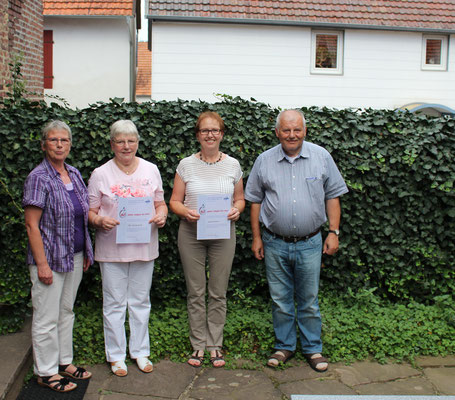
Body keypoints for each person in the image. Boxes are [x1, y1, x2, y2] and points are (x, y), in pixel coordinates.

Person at [244, 109, 348, 372]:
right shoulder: (264, 160)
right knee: (280, 299)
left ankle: (313, 349)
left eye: (297, 130)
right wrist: (257, 237)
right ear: (277, 132)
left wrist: (333, 232)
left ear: (305, 131)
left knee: (309, 299)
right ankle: (284, 347)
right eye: (286, 130)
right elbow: (255, 200)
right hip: (274, 242)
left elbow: (333, 196)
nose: (292, 135)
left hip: (311, 243)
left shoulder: (321, 157)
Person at [87, 120, 167, 377]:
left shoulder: (150, 169)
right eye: (120, 141)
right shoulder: (101, 174)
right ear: (112, 144)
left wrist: (162, 215)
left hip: (144, 247)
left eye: (131, 141)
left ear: (137, 143)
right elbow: (90, 211)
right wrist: (99, 220)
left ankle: (141, 351)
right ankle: (116, 356)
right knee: (113, 304)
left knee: (141, 302)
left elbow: (161, 203)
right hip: (112, 250)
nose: (126, 146)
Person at [169, 111, 245, 368]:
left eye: (215, 130)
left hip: (223, 233)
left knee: (218, 291)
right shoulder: (186, 165)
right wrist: (185, 212)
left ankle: (215, 345)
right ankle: (198, 345)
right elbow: (174, 202)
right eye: (205, 131)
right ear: (198, 135)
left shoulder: (233, 165)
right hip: (191, 233)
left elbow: (240, 199)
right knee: (196, 291)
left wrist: (238, 209)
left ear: (222, 134)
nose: (210, 135)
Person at [23, 120, 94, 393]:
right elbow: (32, 225)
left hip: (74, 256)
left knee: (66, 312)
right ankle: (46, 371)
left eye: (64, 140)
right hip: (50, 259)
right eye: (53, 140)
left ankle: (65, 362)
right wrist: (41, 264)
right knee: (45, 317)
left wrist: (87, 249)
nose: (59, 145)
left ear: (70, 144)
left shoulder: (74, 173)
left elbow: (81, 217)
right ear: (44, 144)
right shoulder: (38, 178)